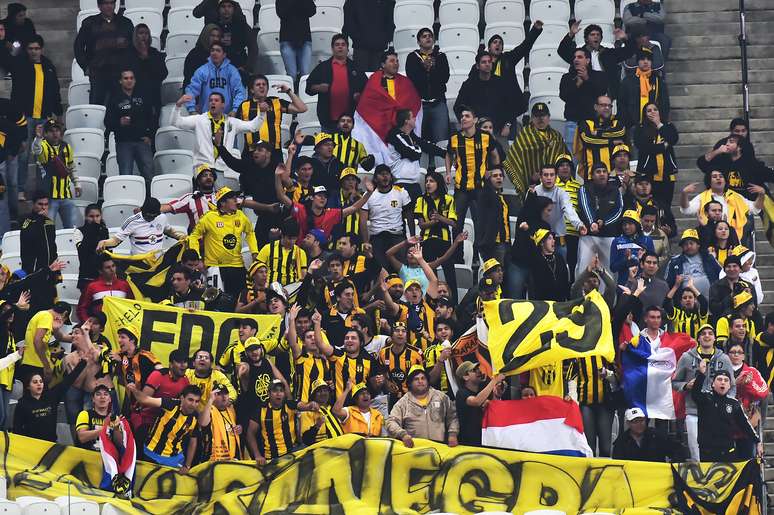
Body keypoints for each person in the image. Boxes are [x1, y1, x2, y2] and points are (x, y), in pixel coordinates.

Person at [9, 35, 62, 205]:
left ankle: (43, 190)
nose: (34, 51)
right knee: (23, 155)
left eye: (37, 48)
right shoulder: (21, 66)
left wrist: (57, 113)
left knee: (43, 156)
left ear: (42, 49)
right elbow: (15, 94)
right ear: (27, 50)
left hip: (43, 118)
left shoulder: (48, 67)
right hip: (25, 117)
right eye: (31, 48)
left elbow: (55, 91)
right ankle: (20, 189)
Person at [672, 323, 734, 461]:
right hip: (694, 411)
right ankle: (700, 480)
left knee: (715, 449)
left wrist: (726, 403)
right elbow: (674, 382)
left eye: (710, 333)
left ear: (715, 338)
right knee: (695, 451)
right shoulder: (686, 357)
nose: (707, 336)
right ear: (698, 338)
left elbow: (733, 385)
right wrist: (686, 385)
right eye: (703, 333)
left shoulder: (724, 359)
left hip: (716, 412)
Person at [188, 187, 259, 298]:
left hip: (237, 266)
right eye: (232, 198)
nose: (236, 200)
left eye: (236, 197)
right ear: (222, 202)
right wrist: (198, 259)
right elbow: (193, 237)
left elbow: (250, 233)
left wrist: (254, 252)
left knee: (240, 299)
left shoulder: (241, 216)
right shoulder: (209, 217)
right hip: (215, 267)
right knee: (216, 299)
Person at [275, 169, 374, 244]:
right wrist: (277, 176)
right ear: (312, 197)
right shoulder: (301, 210)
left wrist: (368, 193)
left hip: (321, 254)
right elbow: (281, 196)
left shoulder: (330, 214)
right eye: (319, 196)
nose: (323, 198)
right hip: (300, 251)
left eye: (325, 196)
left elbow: (354, 208)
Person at [476, 22, 544, 130]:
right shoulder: (481, 64)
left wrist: (535, 30)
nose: (498, 44)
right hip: (488, 115)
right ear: (488, 48)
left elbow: (525, 46)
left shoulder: (508, 59)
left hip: (508, 114)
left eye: (500, 43)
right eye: (495, 42)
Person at [445, 106, 499, 241]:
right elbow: (448, 154)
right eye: (462, 116)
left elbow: (495, 156)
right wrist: (447, 172)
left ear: (475, 120)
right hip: (461, 188)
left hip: (479, 187)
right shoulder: (455, 138)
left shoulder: (485, 137)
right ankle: (458, 257)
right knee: (457, 225)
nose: (463, 118)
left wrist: (491, 170)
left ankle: (479, 256)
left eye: (467, 116)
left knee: (480, 223)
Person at [691, 360, 760, 461]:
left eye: (726, 380)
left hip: (728, 451)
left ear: (729, 386)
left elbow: (745, 425)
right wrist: (701, 374)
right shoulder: (705, 399)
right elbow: (695, 393)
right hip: (707, 452)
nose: (723, 382)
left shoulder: (734, 403)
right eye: (719, 379)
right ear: (713, 384)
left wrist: (757, 441)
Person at [127, 383, 203, 472]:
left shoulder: (196, 417)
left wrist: (187, 465)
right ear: (182, 398)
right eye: (190, 400)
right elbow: (145, 399)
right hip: (151, 453)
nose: (193, 404)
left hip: (175, 459)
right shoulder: (170, 404)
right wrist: (134, 390)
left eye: (197, 401)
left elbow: (193, 441)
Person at [73, 0, 134, 105]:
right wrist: (85, 66)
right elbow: (78, 46)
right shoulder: (89, 23)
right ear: (99, 5)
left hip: (120, 72)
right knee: (97, 106)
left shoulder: (125, 23)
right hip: (98, 72)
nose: (109, 6)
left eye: (111, 3)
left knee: (121, 105)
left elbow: (133, 47)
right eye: (105, 3)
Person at [680, 170, 763, 246]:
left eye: (721, 176)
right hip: (710, 240)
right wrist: (684, 194)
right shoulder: (702, 197)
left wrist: (761, 194)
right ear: (709, 181)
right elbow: (687, 209)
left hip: (733, 239)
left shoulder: (736, 196)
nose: (718, 178)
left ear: (725, 180)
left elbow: (755, 209)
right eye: (714, 177)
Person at [13, 358, 87, 442]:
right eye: (35, 382)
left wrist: (83, 363)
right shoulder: (22, 403)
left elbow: (68, 380)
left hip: (51, 444)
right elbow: (17, 429)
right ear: (28, 386)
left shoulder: (52, 396)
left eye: (41, 381)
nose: (39, 384)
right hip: (32, 445)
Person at [306, 34, 368, 132]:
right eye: (337, 44)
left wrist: (359, 96)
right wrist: (318, 88)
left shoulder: (356, 67)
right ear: (332, 48)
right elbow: (308, 88)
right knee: (328, 147)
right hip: (328, 121)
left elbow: (367, 89)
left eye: (343, 44)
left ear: (347, 49)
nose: (340, 47)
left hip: (351, 122)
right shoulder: (323, 67)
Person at [385, 365, 459, 447]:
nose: (420, 381)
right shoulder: (403, 402)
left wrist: (453, 433)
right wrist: (403, 435)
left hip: (440, 448)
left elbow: (453, 417)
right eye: (416, 379)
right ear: (409, 383)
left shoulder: (441, 397)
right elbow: (391, 422)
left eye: (423, 378)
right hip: (415, 449)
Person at [558, 21, 634, 100]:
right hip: (585, 95)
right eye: (592, 35)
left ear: (601, 38)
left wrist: (625, 38)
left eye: (598, 35)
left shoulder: (608, 53)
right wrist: (571, 34)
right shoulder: (579, 55)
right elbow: (562, 51)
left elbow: (629, 52)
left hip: (607, 95)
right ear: (586, 39)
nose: (596, 37)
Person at [239, 74, 307, 161]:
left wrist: (288, 91)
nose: (261, 87)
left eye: (264, 84)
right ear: (252, 90)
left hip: (274, 152)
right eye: (258, 85)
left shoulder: (277, 102)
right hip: (252, 151)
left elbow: (302, 108)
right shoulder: (244, 105)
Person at [503, 103, 567, 194]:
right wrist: (531, 178)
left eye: (543, 116)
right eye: (537, 116)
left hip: (555, 183)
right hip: (531, 184)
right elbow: (511, 161)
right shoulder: (524, 136)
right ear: (532, 118)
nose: (540, 119)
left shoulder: (556, 136)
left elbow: (564, 158)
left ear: (549, 117)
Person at [414, 171, 458, 298]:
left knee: (450, 275)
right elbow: (421, 225)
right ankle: (432, 304)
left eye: (431, 181)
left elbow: (454, 223)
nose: (428, 184)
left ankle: (453, 305)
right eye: (426, 181)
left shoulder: (449, 199)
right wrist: (434, 222)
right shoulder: (420, 200)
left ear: (438, 183)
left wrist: (439, 218)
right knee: (431, 277)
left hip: (444, 242)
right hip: (427, 242)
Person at [105, 68, 155, 182]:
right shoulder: (114, 99)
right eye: (126, 78)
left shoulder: (143, 97)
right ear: (120, 81)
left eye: (131, 78)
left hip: (142, 141)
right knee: (126, 176)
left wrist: (149, 136)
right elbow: (107, 122)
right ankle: (128, 199)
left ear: (135, 80)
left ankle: (150, 199)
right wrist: (119, 122)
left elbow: (151, 118)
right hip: (124, 143)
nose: (129, 81)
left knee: (149, 174)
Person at [246, 378, 311, 465]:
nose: (278, 394)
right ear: (269, 393)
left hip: (293, 451)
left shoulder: (289, 405)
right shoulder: (260, 410)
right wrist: (257, 455)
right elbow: (250, 433)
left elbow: (302, 406)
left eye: (281, 391)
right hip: (272, 457)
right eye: (275, 391)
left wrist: (311, 405)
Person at [360, 165, 412, 272]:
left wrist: (411, 237)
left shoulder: (400, 192)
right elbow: (362, 221)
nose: (385, 176)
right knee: (380, 273)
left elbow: (409, 216)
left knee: (401, 272)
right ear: (375, 178)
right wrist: (366, 242)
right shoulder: (369, 195)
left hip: (397, 237)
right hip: (377, 238)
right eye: (381, 174)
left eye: (387, 174)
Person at [386, 109, 446, 200]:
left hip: (415, 184)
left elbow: (426, 145)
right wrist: (417, 148)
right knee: (404, 214)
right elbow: (413, 153)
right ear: (406, 121)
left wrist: (445, 152)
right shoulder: (395, 135)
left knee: (417, 213)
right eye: (412, 117)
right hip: (401, 184)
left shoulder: (411, 136)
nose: (415, 119)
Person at [30, 120, 79, 229]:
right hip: (48, 199)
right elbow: (36, 150)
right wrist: (38, 138)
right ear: (46, 133)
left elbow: (71, 166)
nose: (55, 133)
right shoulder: (43, 145)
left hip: (66, 196)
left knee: (71, 230)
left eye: (57, 130)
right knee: (48, 229)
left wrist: (76, 184)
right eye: (51, 131)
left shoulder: (66, 146)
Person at [576, 162, 623, 275]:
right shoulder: (584, 188)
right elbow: (585, 206)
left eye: (604, 172)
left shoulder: (615, 190)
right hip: (589, 235)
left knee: (608, 271)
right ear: (592, 175)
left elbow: (618, 211)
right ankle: (581, 293)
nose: (601, 174)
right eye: (598, 172)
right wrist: (592, 223)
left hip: (609, 236)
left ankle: (608, 293)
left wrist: (604, 223)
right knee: (584, 268)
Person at [405, 28, 450, 146]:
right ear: (419, 42)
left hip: (438, 103)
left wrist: (432, 69)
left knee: (442, 140)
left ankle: (442, 164)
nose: (428, 38)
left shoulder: (441, 57)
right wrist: (424, 68)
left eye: (430, 36)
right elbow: (412, 79)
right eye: (424, 36)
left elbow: (444, 78)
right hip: (419, 105)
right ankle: (422, 165)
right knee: (419, 140)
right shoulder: (412, 57)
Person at [97, 197, 186, 256]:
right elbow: (116, 240)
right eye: (149, 215)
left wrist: (182, 237)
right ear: (142, 211)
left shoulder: (162, 218)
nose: (151, 218)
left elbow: (169, 231)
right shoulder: (132, 221)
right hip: (139, 264)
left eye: (154, 216)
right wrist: (104, 243)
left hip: (158, 263)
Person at [559, 48, 608, 151]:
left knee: (593, 154)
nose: (576, 59)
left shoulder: (599, 75)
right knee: (572, 156)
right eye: (574, 57)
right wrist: (577, 84)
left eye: (580, 57)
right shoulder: (567, 77)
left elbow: (601, 91)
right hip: (573, 123)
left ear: (588, 60)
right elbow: (564, 96)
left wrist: (587, 79)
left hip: (592, 123)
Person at [727, 342, 769, 459]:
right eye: (733, 352)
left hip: (748, 422)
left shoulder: (752, 371)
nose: (736, 354)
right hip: (727, 422)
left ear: (744, 356)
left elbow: (763, 392)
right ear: (728, 355)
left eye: (739, 352)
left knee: (748, 459)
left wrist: (747, 384)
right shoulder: (724, 370)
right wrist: (736, 383)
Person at [120, 24, 167, 126]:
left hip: (152, 95)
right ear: (135, 36)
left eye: (146, 33)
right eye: (141, 33)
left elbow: (163, 73)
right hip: (134, 96)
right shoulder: (128, 54)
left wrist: (148, 59)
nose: (144, 36)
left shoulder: (155, 53)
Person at [454, 52, 512, 135]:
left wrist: (507, 125)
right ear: (477, 66)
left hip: (498, 129)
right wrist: (467, 124)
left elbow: (510, 106)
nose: (487, 64)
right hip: (475, 130)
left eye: (489, 62)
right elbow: (458, 107)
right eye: (484, 62)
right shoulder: (468, 85)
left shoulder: (501, 83)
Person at [633, 103, 678, 208]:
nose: (652, 112)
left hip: (667, 174)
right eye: (649, 110)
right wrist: (663, 146)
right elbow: (644, 147)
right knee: (650, 206)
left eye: (655, 109)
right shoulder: (640, 128)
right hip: (648, 174)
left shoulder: (668, 126)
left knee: (665, 206)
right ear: (644, 114)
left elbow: (673, 139)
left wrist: (659, 124)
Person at [20, 191, 60, 309]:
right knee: (35, 306)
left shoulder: (49, 222)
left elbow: (52, 246)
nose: (43, 207)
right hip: (33, 271)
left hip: (49, 271)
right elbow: (28, 236)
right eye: (40, 204)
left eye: (46, 204)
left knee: (49, 306)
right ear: (33, 204)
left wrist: (57, 272)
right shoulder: (27, 220)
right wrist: (39, 220)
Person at [185, 43, 246, 116]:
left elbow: (239, 91)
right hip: (206, 117)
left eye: (218, 50)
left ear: (224, 55)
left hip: (227, 117)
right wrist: (191, 109)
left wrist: (235, 110)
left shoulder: (232, 71)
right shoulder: (202, 71)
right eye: (212, 50)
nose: (214, 53)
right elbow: (191, 90)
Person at [17, 301, 71, 382]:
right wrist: (47, 366)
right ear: (64, 314)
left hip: (33, 362)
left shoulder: (44, 315)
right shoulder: (46, 317)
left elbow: (61, 337)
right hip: (35, 364)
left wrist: (56, 329)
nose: (63, 323)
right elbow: (38, 341)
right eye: (64, 320)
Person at [619, 48, 669, 133]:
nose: (646, 62)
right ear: (637, 62)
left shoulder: (658, 80)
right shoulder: (628, 81)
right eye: (642, 59)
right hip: (633, 125)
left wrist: (660, 121)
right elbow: (622, 103)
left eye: (648, 59)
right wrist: (627, 122)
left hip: (654, 125)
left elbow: (664, 103)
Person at [577, 95, 628, 179]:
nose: (607, 108)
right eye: (603, 105)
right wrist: (611, 142)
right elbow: (588, 140)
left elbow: (620, 133)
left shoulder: (617, 123)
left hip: (615, 175)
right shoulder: (586, 123)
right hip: (592, 176)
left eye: (609, 106)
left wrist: (598, 134)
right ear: (595, 107)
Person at [455, 362, 505, 446]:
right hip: (469, 443)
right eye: (474, 370)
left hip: (485, 439)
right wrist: (495, 380)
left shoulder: (483, 390)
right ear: (465, 377)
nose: (479, 371)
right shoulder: (461, 393)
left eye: (478, 369)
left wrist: (497, 395)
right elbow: (476, 401)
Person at [612, 407, 686, 462]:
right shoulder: (621, 441)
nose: (639, 424)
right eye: (635, 422)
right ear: (628, 423)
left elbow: (678, 449)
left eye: (641, 420)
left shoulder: (657, 436)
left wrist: (671, 465)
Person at [343, 0, 395, 73]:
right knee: (362, 78)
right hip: (362, 46)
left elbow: (389, 22)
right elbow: (348, 23)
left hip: (377, 46)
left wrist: (388, 41)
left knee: (377, 79)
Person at [76, 256, 132, 321]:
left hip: (121, 327)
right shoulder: (92, 286)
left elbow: (131, 305)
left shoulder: (124, 285)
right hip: (100, 327)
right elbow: (82, 308)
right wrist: (88, 323)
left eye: (113, 266)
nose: (112, 269)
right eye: (108, 267)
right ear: (100, 271)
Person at [609, 210, 655, 285]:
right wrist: (626, 260)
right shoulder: (616, 241)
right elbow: (613, 268)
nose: (626, 227)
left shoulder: (647, 240)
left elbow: (653, 265)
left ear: (637, 225)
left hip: (644, 286)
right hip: (624, 285)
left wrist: (640, 260)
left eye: (630, 224)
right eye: (624, 224)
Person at [477, 169, 512, 265]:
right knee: (495, 277)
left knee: (504, 277)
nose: (498, 177)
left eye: (501, 175)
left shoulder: (501, 197)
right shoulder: (486, 196)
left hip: (505, 242)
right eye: (495, 176)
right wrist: (485, 180)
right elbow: (486, 192)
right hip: (493, 244)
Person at [198, 384, 241, 462]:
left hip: (232, 460)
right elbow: (203, 423)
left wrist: (239, 428)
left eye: (225, 393)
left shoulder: (231, 411)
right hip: (214, 460)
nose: (224, 397)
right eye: (219, 394)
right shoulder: (209, 410)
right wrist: (210, 400)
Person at [276, 0, 316, 81]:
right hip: (287, 38)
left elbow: (312, 11)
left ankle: (302, 93)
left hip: (304, 38)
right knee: (291, 75)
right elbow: (281, 12)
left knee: (305, 74)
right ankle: (291, 93)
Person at [74, 204, 110, 291]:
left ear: (101, 216)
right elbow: (82, 252)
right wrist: (92, 231)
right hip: (86, 274)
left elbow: (107, 253)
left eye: (97, 216)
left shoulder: (104, 230)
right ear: (86, 217)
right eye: (91, 216)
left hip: (103, 275)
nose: (95, 219)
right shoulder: (79, 231)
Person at [527, 229, 570, 302]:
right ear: (542, 242)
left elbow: (566, 281)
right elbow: (533, 289)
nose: (553, 240)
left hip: (560, 304)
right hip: (542, 305)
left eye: (553, 238)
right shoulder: (536, 261)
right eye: (549, 238)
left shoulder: (559, 258)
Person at [213, 0, 250, 72]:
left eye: (229, 6)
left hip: (238, 63)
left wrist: (247, 67)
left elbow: (253, 47)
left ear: (233, 9)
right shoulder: (213, 25)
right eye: (223, 6)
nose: (226, 9)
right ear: (219, 9)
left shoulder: (242, 26)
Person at [75, 384, 113, 450]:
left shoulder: (114, 418)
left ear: (110, 399)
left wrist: (117, 429)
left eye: (106, 394)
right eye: (98, 394)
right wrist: (104, 429)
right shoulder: (85, 414)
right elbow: (82, 437)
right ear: (93, 399)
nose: (102, 397)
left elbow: (120, 444)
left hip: (107, 459)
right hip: (87, 457)